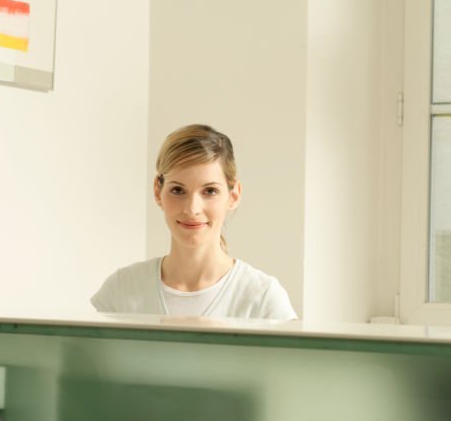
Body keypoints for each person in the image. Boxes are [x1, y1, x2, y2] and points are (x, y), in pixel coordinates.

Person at [91, 124, 297, 320]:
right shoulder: (120, 291)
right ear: (157, 191)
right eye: (178, 190)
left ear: (234, 195)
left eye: (210, 191)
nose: (192, 209)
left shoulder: (263, 300)